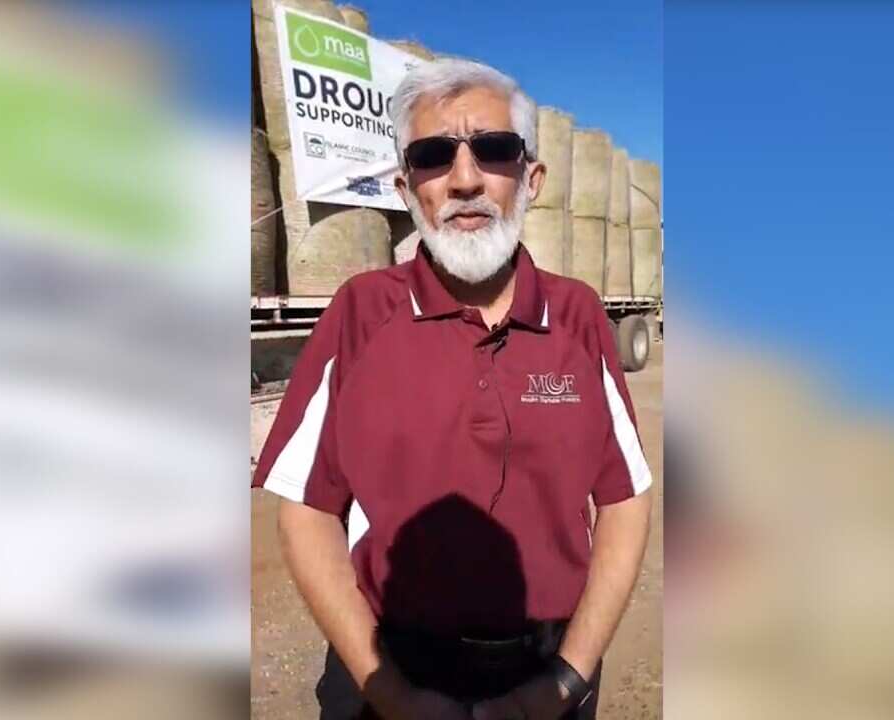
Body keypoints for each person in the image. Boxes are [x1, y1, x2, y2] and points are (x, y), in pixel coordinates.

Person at [252, 58, 653, 720]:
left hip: (548, 670)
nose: (465, 180)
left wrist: (567, 677)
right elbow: (304, 509)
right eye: (435, 157)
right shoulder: (359, 314)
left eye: (494, 151)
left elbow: (625, 501)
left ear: (533, 178)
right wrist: (390, 693)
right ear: (407, 189)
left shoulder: (577, 315)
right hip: (390, 672)